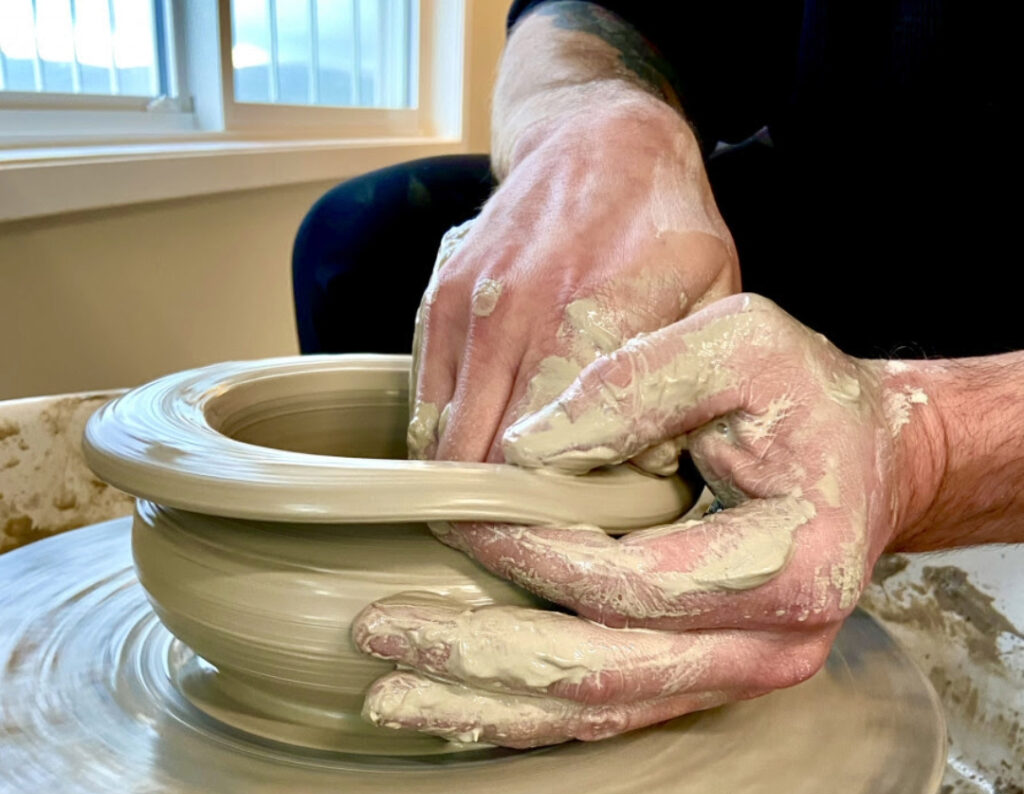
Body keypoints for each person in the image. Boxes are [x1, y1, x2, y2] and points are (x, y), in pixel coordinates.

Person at [293, 2, 1024, 748]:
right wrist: (591, 116)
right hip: (835, 196)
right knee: (366, 242)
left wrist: (924, 449)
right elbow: (590, 12)